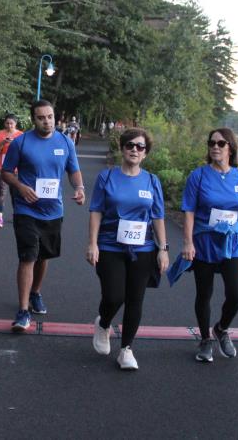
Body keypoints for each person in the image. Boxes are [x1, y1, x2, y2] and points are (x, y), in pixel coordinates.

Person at [86, 128, 169, 370]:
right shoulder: (107, 177)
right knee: (114, 296)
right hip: (110, 245)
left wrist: (163, 248)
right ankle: (104, 323)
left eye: (140, 146)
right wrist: (92, 243)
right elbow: (96, 210)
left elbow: (158, 216)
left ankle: (126, 349)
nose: (134, 149)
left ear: (145, 153)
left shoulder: (152, 181)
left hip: (143, 247)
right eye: (130, 145)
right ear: (122, 149)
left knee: (135, 298)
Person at [1, 100, 85, 332]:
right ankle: (23, 311)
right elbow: (6, 172)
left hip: (53, 210)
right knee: (28, 256)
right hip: (26, 208)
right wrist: (20, 187)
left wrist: (79, 188)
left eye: (50, 117)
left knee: (43, 256)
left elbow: (73, 170)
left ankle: (35, 292)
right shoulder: (21, 142)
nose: (47, 121)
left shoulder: (65, 142)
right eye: (41, 118)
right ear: (33, 119)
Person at [180, 127, 238, 362]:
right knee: (204, 293)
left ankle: (221, 329)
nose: (215, 147)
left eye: (221, 143)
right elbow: (189, 211)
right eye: (211, 143)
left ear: (230, 148)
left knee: (235, 294)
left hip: (232, 244)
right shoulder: (198, 176)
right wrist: (188, 242)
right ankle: (205, 340)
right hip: (205, 242)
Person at [0, 114, 23, 228]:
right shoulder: (1, 134)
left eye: (11, 123)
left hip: (16, 170)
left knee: (15, 193)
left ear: (16, 124)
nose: (9, 126)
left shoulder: (21, 135)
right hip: (1, 168)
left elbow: (24, 152)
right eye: (7, 123)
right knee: (1, 192)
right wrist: (3, 143)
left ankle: (16, 215)